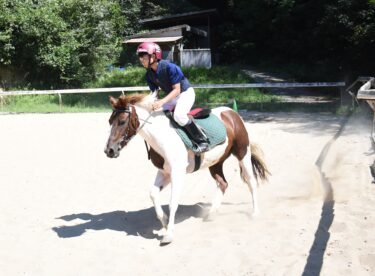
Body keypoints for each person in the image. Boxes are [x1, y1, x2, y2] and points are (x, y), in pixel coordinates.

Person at [136, 42, 209, 153]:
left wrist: (161, 102)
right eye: (140, 56)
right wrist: (151, 104)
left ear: (154, 56)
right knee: (156, 115)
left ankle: (202, 141)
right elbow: (154, 93)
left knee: (179, 116)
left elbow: (177, 90)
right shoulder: (149, 74)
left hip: (185, 93)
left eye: (144, 56)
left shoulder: (170, 67)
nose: (141, 59)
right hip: (172, 97)